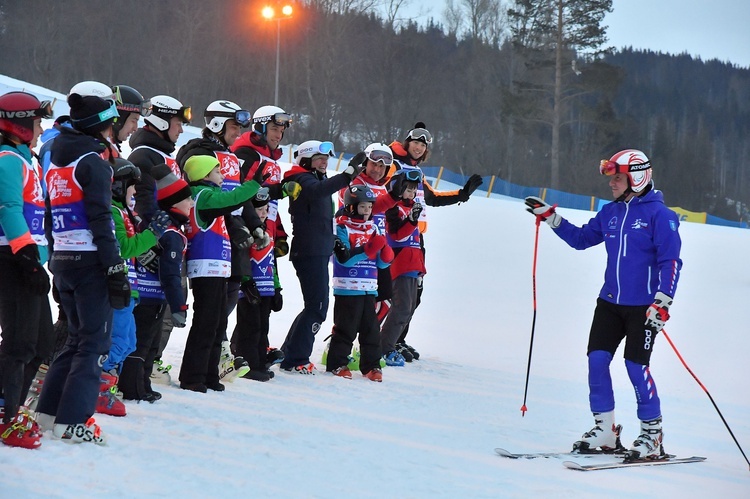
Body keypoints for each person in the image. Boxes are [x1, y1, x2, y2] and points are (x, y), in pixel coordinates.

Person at [524, 149, 682, 460]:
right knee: (597, 362)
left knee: (636, 368)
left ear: (637, 177)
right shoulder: (610, 212)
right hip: (609, 303)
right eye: (611, 177)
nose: (611, 183)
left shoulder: (660, 216)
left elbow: (671, 261)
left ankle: (652, 432)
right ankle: (605, 430)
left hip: (644, 308)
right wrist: (551, 217)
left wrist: (663, 302)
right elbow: (581, 239)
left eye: (618, 177)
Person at [36, 92, 131, 445]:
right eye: (109, 126)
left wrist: (54, 260)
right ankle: (73, 421)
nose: (112, 132)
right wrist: (115, 267)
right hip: (90, 261)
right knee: (94, 344)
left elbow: (49, 216)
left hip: (63, 258)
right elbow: (101, 219)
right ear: (99, 127)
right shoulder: (93, 162)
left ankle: (48, 413)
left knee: (75, 340)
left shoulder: (57, 161)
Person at [176, 100, 265, 382]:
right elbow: (228, 199)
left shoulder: (228, 157)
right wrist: (250, 195)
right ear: (216, 124)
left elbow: (237, 196)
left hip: (227, 248)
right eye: (233, 126)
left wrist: (254, 225)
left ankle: (211, 371)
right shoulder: (198, 153)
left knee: (219, 316)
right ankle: (195, 373)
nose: (238, 133)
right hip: (208, 249)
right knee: (208, 316)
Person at [386, 122, 484, 361]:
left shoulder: (417, 171)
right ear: (407, 142)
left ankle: (397, 338)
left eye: (423, 145)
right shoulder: (393, 163)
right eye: (416, 143)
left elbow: (431, 197)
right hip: (397, 236)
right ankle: (385, 339)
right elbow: (383, 191)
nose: (418, 148)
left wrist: (462, 194)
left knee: (415, 295)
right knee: (398, 295)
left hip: (416, 239)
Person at [278, 140, 365, 374]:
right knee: (317, 307)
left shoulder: (315, 180)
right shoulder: (301, 180)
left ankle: (289, 352)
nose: (324, 163)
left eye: (326, 160)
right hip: (309, 251)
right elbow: (318, 191)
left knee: (313, 306)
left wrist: (334, 239)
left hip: (317, 250)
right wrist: (348, 174)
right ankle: (296, 358)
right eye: (319, 159)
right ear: (306, 160)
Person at [0, 91, 54, 448]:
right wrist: (28, 257)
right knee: (19, 344)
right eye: (36, 122)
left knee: (40, 344)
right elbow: (8, 208)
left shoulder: (28, 159)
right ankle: (7, 416)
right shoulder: (7, 159)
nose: (40, 128)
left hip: (29, 260)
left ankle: (14, 407)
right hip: (12, 259)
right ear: (20, 124)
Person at [101, 159, 171, 409]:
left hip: (129, 290)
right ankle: (96, 385)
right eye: (132, 186)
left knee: (129, 343)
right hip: (118, 289)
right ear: (118, 186)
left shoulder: (124, 213)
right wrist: (153, 234)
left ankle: (107, 384)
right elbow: (126, 247)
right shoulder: (112, 212)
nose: (134, 192)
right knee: (119, 342)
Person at [122, 164, 192, 401]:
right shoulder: (170, 233)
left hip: (151, 296)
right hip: (149, 296)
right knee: (142, 345)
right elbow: (171, 275)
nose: (192, 204)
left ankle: (143, 384)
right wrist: (179, 307)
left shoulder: (165, 228)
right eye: (188, 199)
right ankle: (132, 388)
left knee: (150, 346)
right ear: (174, 203)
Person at [329, 184, 394, 382]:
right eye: (362, 207)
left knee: (371, 330)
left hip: (369, 288)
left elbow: (381, 263)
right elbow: (344, 259)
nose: (366, 212)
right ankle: (337, 362)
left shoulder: (373, 227)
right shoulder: (341, 228)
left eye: (369, 207)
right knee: (345, 328)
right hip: (348, 288)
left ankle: (372, 366)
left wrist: (386, 254)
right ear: (351, 207)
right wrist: (368, 249)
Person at [230, 191, 281, 382]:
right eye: (259, 210)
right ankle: (249, 364)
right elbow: (241, 260)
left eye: (266, 209)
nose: (263, 213)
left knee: (262, 327)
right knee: (249, 327)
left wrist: (277, 288)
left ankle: (260, 362)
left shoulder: (267, 232)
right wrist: (245, 282)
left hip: (266, 288)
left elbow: (272, 263)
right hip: (250, 288)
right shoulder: (245, 231)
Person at [379, 170, 427, 367]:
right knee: (401, 308)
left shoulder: (411, 208)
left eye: (414, 189)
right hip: (400, 266)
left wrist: (421, 268)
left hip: (413, 266)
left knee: (410, 308)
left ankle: (392, 343)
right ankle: (384, 347)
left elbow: (417, 242)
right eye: (407, 189)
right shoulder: (394, 209)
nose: (411, 193)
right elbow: (396, 235)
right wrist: (412, 220)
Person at [111, 84, 151, 153]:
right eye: (133, 121)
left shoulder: (108, 149)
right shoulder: (98, 151)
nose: (135, 128)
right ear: (118, 118)